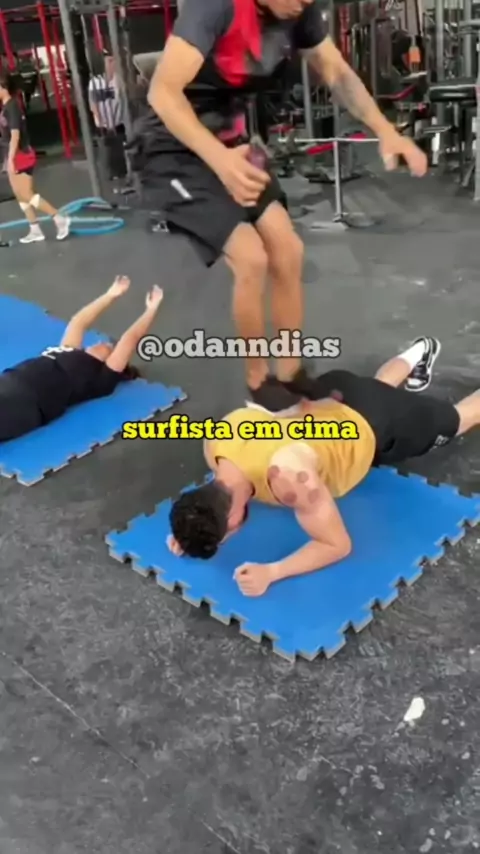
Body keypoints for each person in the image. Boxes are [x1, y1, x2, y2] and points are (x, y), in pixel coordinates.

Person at [135, 0, 428, 413]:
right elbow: (162, 93)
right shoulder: (214, 7)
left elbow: (337, 72)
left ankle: (290, 371)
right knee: (251, 257)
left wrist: (386, 130)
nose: (304, 1)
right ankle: (258, 378)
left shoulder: (299, 12)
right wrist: (220, 163)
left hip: (232, 145)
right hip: (172, 150)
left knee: (288, 250)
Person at [168, 335, 479, 596]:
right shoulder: (216, 442)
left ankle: (426, 360)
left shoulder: (290, 479)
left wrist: (272, 572)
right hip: (332, 391)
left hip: (378, 422)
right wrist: (191, 532)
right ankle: (420, 350)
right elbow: (217, 507)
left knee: (460, 419)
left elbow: (336, 544)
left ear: (232, 517)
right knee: (375, 388)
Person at [0, 277, 163, 443]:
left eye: (110, 347)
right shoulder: (68, 350)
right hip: (8, 383)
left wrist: (151, 310)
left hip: (29, 403)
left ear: (109, 361)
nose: (104, 343)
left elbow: (130, 339)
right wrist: (111, 294)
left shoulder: (101, 381)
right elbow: (78, 322)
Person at [0, 71, 70, 244]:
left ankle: (58, 217)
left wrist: (10, 159)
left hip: (21, 155)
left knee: (27, 194)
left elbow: (15, 135)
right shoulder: (5, 107)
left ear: (3, 87)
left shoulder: (12, 107)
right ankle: (35, 229)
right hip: (12, 154)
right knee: (20, 195)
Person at [88, 49, 127, 184]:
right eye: (109, 61)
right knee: (107, 151)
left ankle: (123, 172)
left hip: (119, 121)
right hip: (104, 125)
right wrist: (101, 122)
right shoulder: (95, 82)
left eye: (113, 60)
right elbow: (93, 104)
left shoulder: (118, 80)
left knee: (121, 148)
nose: (113, 63)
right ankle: (111, 174)